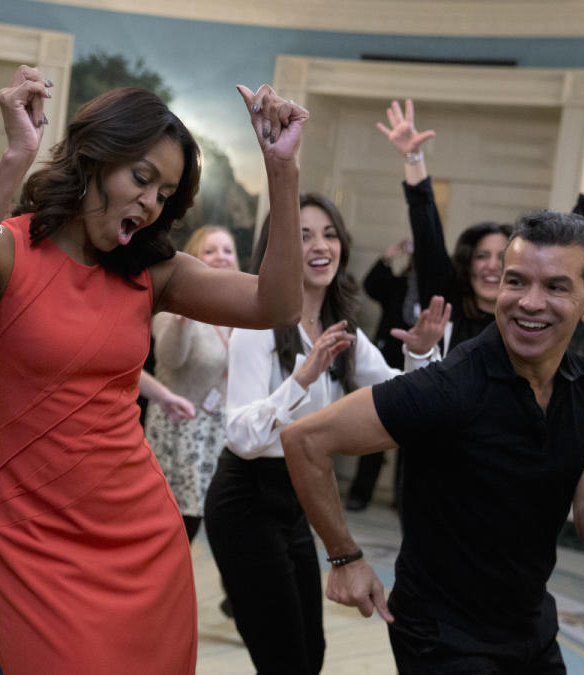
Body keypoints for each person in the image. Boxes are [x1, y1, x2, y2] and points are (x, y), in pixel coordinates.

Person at [0, 65, 309, 673]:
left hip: (140, 533)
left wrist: (282, 172)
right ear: (93, 159)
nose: (151, 203)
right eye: (142, 177)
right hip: (29, 532)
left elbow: (278, 305)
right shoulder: (5, 248)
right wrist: (14, 159)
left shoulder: (152, 272)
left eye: (165, 193)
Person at [281, 209, 584, 673]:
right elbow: (304, 439)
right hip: (441, 638)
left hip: (531, 630)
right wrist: (345, 557)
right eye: (516, 281)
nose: (529, 302)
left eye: (556, 287)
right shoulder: (450, 385)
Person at [204, 193, 450, 675]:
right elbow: (242, 435)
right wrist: (303, 378)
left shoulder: (347, 335)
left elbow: (409, 400)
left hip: (299, 502)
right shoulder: (258, 326)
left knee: (309, 656)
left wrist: (420, 355)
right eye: (303, 235)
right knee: (285, 661)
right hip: (245, 502)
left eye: (329, 234)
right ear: (277, 249)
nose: (321, 245)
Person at [377, 99, 584, 353]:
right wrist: (414, 158)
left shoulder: (530, 317)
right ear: (468, 264)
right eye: (481, 256)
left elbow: (570, 238)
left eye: (502, 258)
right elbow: (427, 231)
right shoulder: (446, 304)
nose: (492, 265)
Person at [144, 224, 238, 542]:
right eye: (210, 250)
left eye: (228, 250)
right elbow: (169, 359)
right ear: (194, 258)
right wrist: (183, 324)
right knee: (174, 520)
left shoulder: (238, 309)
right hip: (180, 426)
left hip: (217, 428)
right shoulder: (174, 303)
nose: (220, 257)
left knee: (211, 516)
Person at [346, 237, 417, 511]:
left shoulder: (438, 291)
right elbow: (372, 284)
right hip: (386, 364)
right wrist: (390, 255)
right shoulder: (399, 285)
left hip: (420, 368)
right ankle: (360, 493)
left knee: (413, 438)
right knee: (375, 430)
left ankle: (403, 499)